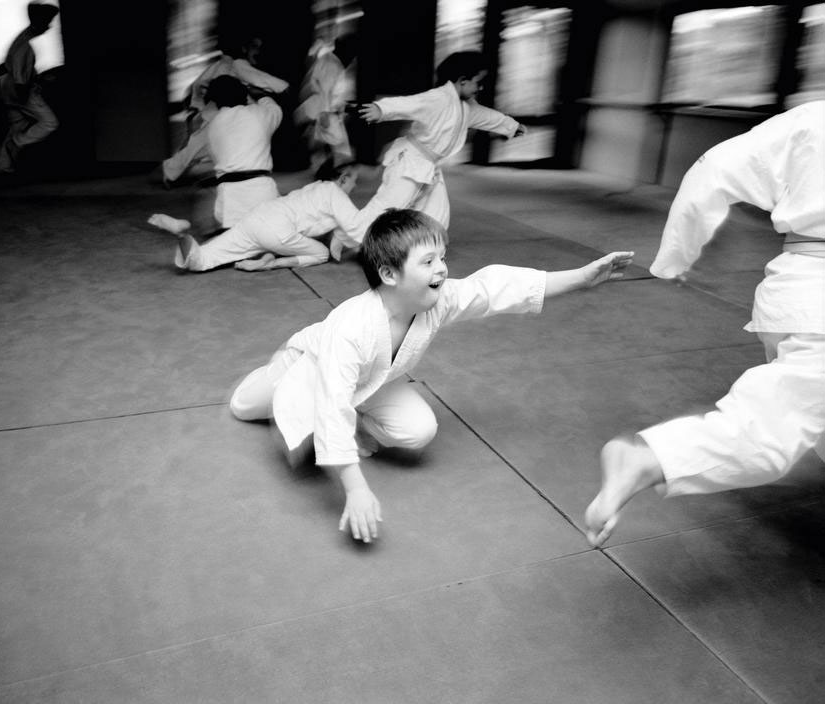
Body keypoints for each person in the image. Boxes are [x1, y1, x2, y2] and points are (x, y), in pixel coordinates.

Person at [229, 208, 634, 543]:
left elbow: (495, 288)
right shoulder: (349, 326)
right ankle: (281, 370)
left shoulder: (437, 300)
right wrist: (356, 490)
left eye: (441, 256)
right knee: (244, 406)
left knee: (418, 430)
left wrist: (581, 278)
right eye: (428, 261)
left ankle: (348, 436)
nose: (442, 268)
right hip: (312, 368)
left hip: (374, 381)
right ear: (390, 275)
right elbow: (333, 405)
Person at [584, 101, 825, 548]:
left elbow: (709, 171)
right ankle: (649, 458)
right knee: (777, 426)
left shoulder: (810, 118)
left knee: (807, 414)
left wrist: (677, 257)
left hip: (794, 286)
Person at [355, 51, 527, 232]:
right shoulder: (438, 98)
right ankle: (349, 236)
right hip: (409, 162)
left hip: (430, 166)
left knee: (437, 212)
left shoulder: (466, 107)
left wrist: (511, 126)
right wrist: (381, 109)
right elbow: (411, 103)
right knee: (388, 205)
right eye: (479, 82)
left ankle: (429, 245)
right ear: (463, 80)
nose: (481, 88)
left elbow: (488, 117)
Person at [148, 160, 367, 272]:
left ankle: (182, 232)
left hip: (258, 216)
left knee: (203, 258)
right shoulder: (335, 193)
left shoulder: (315, 188)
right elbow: (356, 226)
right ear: (343, 179)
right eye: (354, 180)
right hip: (277, 231)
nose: (355, 186)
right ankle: (267, 265)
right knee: (321, 253)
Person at [161, 39, 289, 186]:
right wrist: (283, 87)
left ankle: (171, 172)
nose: (258, 51)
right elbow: (263, 80)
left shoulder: (220, 65)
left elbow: (198, 84)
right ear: (244, 48)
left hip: (215, 114)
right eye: (254, 47)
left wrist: (196, 104)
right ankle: (170, 172)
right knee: (199, 147)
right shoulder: (239, 65)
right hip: (222, 115)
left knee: (199, 147)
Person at [202, 75, 283, 228]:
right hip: (263, 196)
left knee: (243, 240)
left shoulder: (212, 126)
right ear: (244, 94)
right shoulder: (260, 114)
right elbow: (275, 109)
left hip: (228, 203)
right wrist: (258, 93)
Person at [0, 1, 60, 174]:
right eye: (47, 22)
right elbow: (21, 82)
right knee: (49, 123)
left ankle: (4, 167)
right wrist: (29, 95)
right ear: (39, 22)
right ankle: (17, 142)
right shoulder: (25, 48)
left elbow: (15, 68)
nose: (49, 27)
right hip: (17, 90)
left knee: (17, 125)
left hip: (5, 89)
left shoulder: (22, 38)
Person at [295, 34, 359, 170]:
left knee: (325, 145)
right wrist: (324, 113)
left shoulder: (331, 62)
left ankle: (323, 170)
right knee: (339, 150)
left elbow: (320, 87)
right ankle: (327, 172)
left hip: (328, 112)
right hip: (327, 113)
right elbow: (324, 90)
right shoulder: (331, 64)